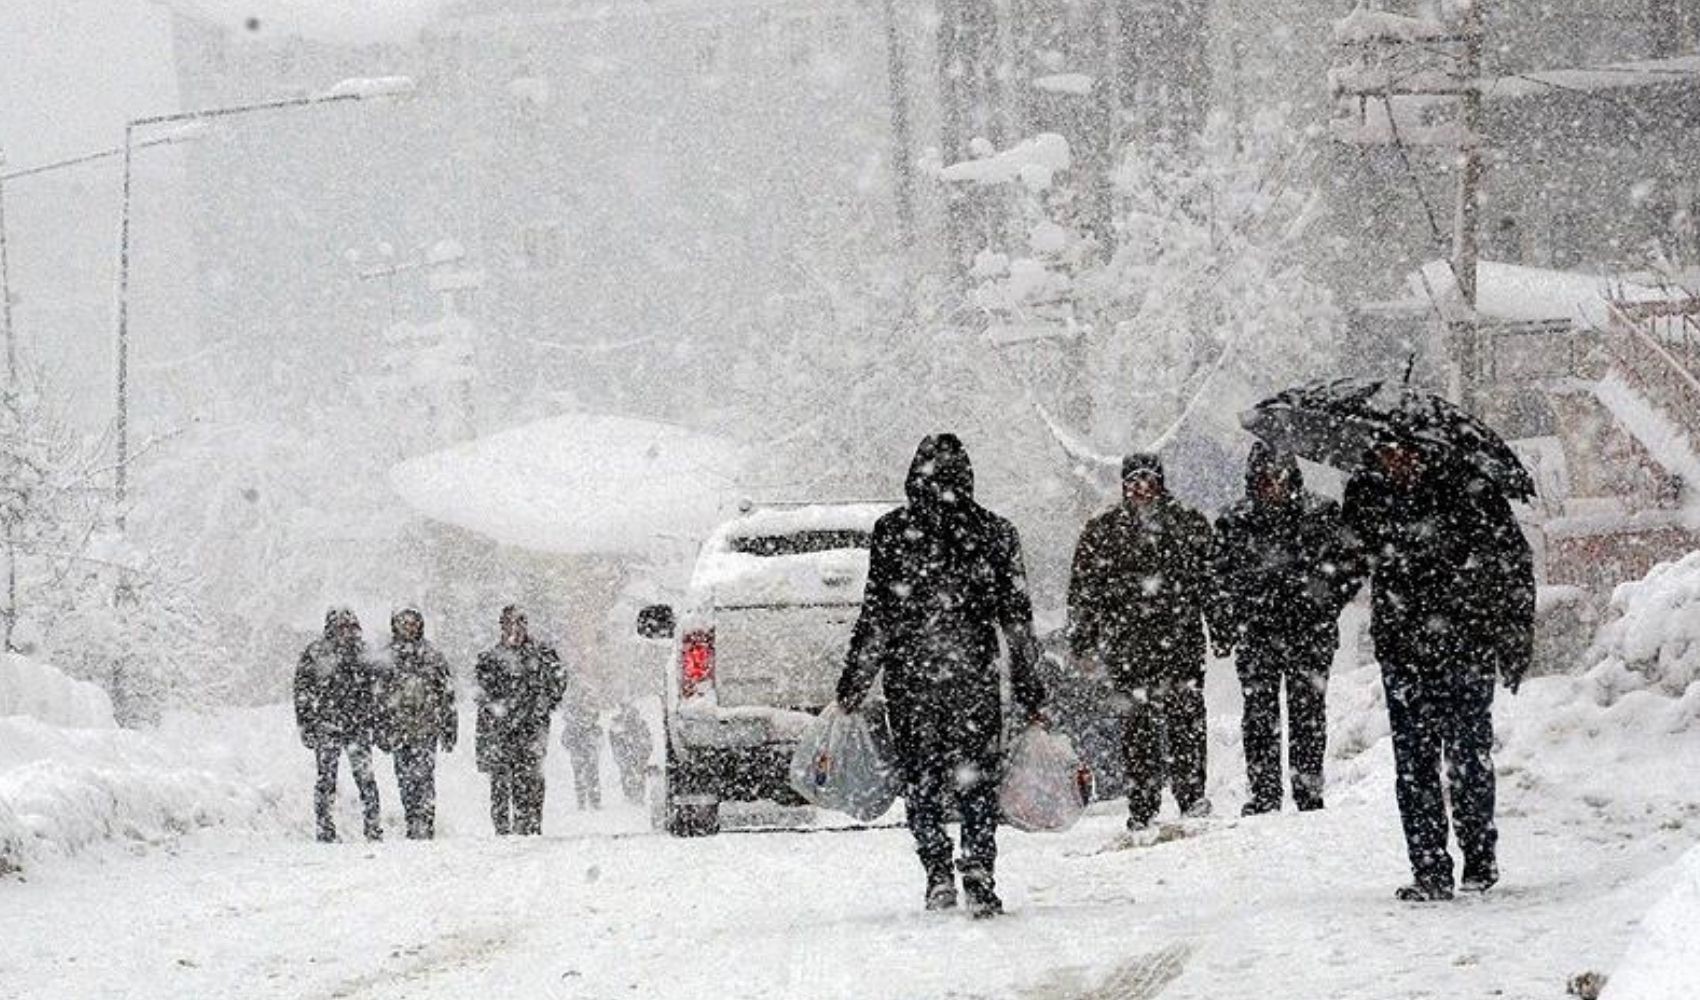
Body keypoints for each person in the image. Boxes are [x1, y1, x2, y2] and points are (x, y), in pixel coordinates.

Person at [836, 434, 1047, 919]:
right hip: (972, 677)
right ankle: (978, 869)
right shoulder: (995, 532)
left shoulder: (892, 532)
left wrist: (855, 681)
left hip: (912, 680)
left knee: (923, 779)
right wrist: (1030, 687)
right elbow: (1016, 621)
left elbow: (878, 617)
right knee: (977, 780)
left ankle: (936, 872)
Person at [1342, 440, 1534, 901]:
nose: (1396, 461)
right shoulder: (1368, 493)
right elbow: (1347, 562)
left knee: (1467, 757)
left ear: (1425, 450)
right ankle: (1429, 868)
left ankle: (1479, 859)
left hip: (1464, 645)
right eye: (1386, 452)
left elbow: (1512, 562)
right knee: (1414, 765)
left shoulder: (1470, 489)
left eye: (1403, 452)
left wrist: (1513, 637)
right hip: (1404, 650)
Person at [1068, 453, 1219, 831]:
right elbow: (1084, 590)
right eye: (1133, 480)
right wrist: (1083, 641)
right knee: (1138, 728)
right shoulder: (1103, 530)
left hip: (1180, 641)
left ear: (1161, 482)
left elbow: (1212, 582)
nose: (1141, 487)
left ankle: (1191, 795)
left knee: (1186, 721)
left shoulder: (1188, 523)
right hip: (1128, 645)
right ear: (1123, 484)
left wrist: (1222, 628)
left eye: (1148, 479)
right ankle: (1143, 804)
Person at [1214, 443, 1363, 815]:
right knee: (1259, 714)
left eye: (1278, 477)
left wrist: (1325, 603)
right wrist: (1234, 615)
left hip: (1309, 632)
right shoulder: (1234, 521)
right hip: (1257, 633)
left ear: (1291, 477)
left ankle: (1308, 791)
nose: (1272, 486)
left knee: (1308, 713)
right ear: (1253, 481)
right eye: (1264, 478)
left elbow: (1350, 566)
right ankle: (1265, 794)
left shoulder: (1322, 514)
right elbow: (1217, 576)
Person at [474, 605, 567, 836]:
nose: (514, 630)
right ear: (502, 627)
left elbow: (559, 680)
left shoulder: (542, 654)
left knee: (530, 777)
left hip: (532, 727)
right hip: (500, 729)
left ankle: (530, 824)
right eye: (508, 624)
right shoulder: (490, 658)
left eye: (518, 624)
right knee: (500, 779)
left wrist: (544, 702)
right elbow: (482, 693)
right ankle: (503, 827)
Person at [294, 607, 382, 843]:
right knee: (326, 780)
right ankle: (324, 829)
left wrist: (375, 720)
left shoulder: (363, 653)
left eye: (349, 626)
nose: (345, 631)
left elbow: (378, 691)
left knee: (365, 779)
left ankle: (373, 828)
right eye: (341, 626)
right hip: (327, 726)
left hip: (357, 726)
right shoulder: (315, 653)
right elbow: (302, 691)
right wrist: (306, 724)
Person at [374, 608, 457, 840]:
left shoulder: (432, 655)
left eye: (413, 623)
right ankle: (412, 820)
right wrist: (380, 728)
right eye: (404, 623)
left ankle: (425, 823)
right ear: (395, 625)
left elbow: (447, 694)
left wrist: (449, 727)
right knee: (404, 779)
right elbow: (377, 698)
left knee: (425, 777)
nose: (409, 627)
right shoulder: (386, 657)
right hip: (398, 730)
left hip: (426, 728)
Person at [560, 683, 603, 811]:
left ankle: (585, 801)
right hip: (584, 747)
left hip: (581, 747)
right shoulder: (586, 712)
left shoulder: (575, 714)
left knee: (583, 775)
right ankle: (591, 801)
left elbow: (565, 738)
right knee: (590, 774)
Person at [607, 701, 654, 806]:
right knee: (632, 774)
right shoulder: (620, 723)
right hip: (630, 753)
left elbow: (647, 739)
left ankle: (635, 796)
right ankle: (634, 796)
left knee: (633, 774)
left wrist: (645, 752)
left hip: (635, 753)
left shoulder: (634, 723)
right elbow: (613, 739)